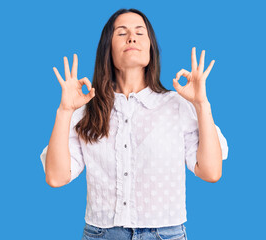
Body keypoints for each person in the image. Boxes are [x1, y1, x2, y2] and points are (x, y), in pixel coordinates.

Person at [40, 8, 228, 240]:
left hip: (166, 234)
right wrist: (65, 111)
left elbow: (210, 172)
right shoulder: (87, 108)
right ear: (107, 48)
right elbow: (56, 177)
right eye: (122, 33)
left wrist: (201, 104)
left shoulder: (177, 105)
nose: (132, 37)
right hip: (101, 234)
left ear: (151, 47)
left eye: (140, 33)